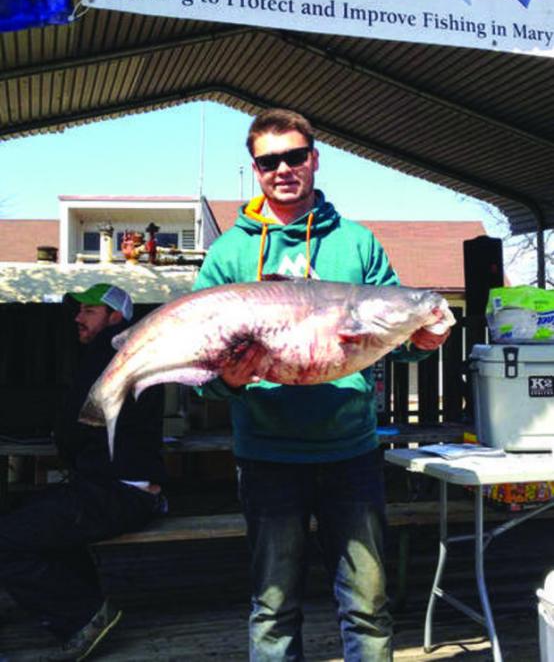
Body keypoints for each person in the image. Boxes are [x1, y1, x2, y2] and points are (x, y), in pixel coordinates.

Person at [193, 108, 451, 661]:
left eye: (293, 156)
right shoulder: (228, 254)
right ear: (256, 169)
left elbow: (395, 328)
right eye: (269, 161)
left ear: (314, 158)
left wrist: (423, 339)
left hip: (350, 453)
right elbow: (201, 379)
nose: (282, 168)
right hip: (266, 456)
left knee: (367, 606)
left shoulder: (357, 244)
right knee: (273, 608)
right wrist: (229, 384)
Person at [0, 283, 167, 661]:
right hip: (118, 486)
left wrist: (65, 445)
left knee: (7, 539)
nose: (78, 317)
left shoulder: (110, 352)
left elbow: (75, 427)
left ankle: (83, 618)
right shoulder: (124, 351)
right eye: (80, 311)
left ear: (115, 317)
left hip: (122, 491)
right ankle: (86, 604)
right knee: (32, 517)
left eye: (89, 311)